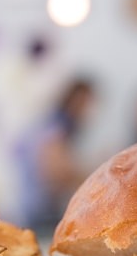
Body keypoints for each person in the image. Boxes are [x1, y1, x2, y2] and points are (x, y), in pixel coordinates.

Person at [16, 77, 95, 234]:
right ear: (75, 100)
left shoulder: (58, 124)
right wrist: (93, 177)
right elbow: (56, 171)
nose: (89, 111)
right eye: (87, 103)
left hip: (38, 211)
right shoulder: (58, 124)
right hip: (42, 214)